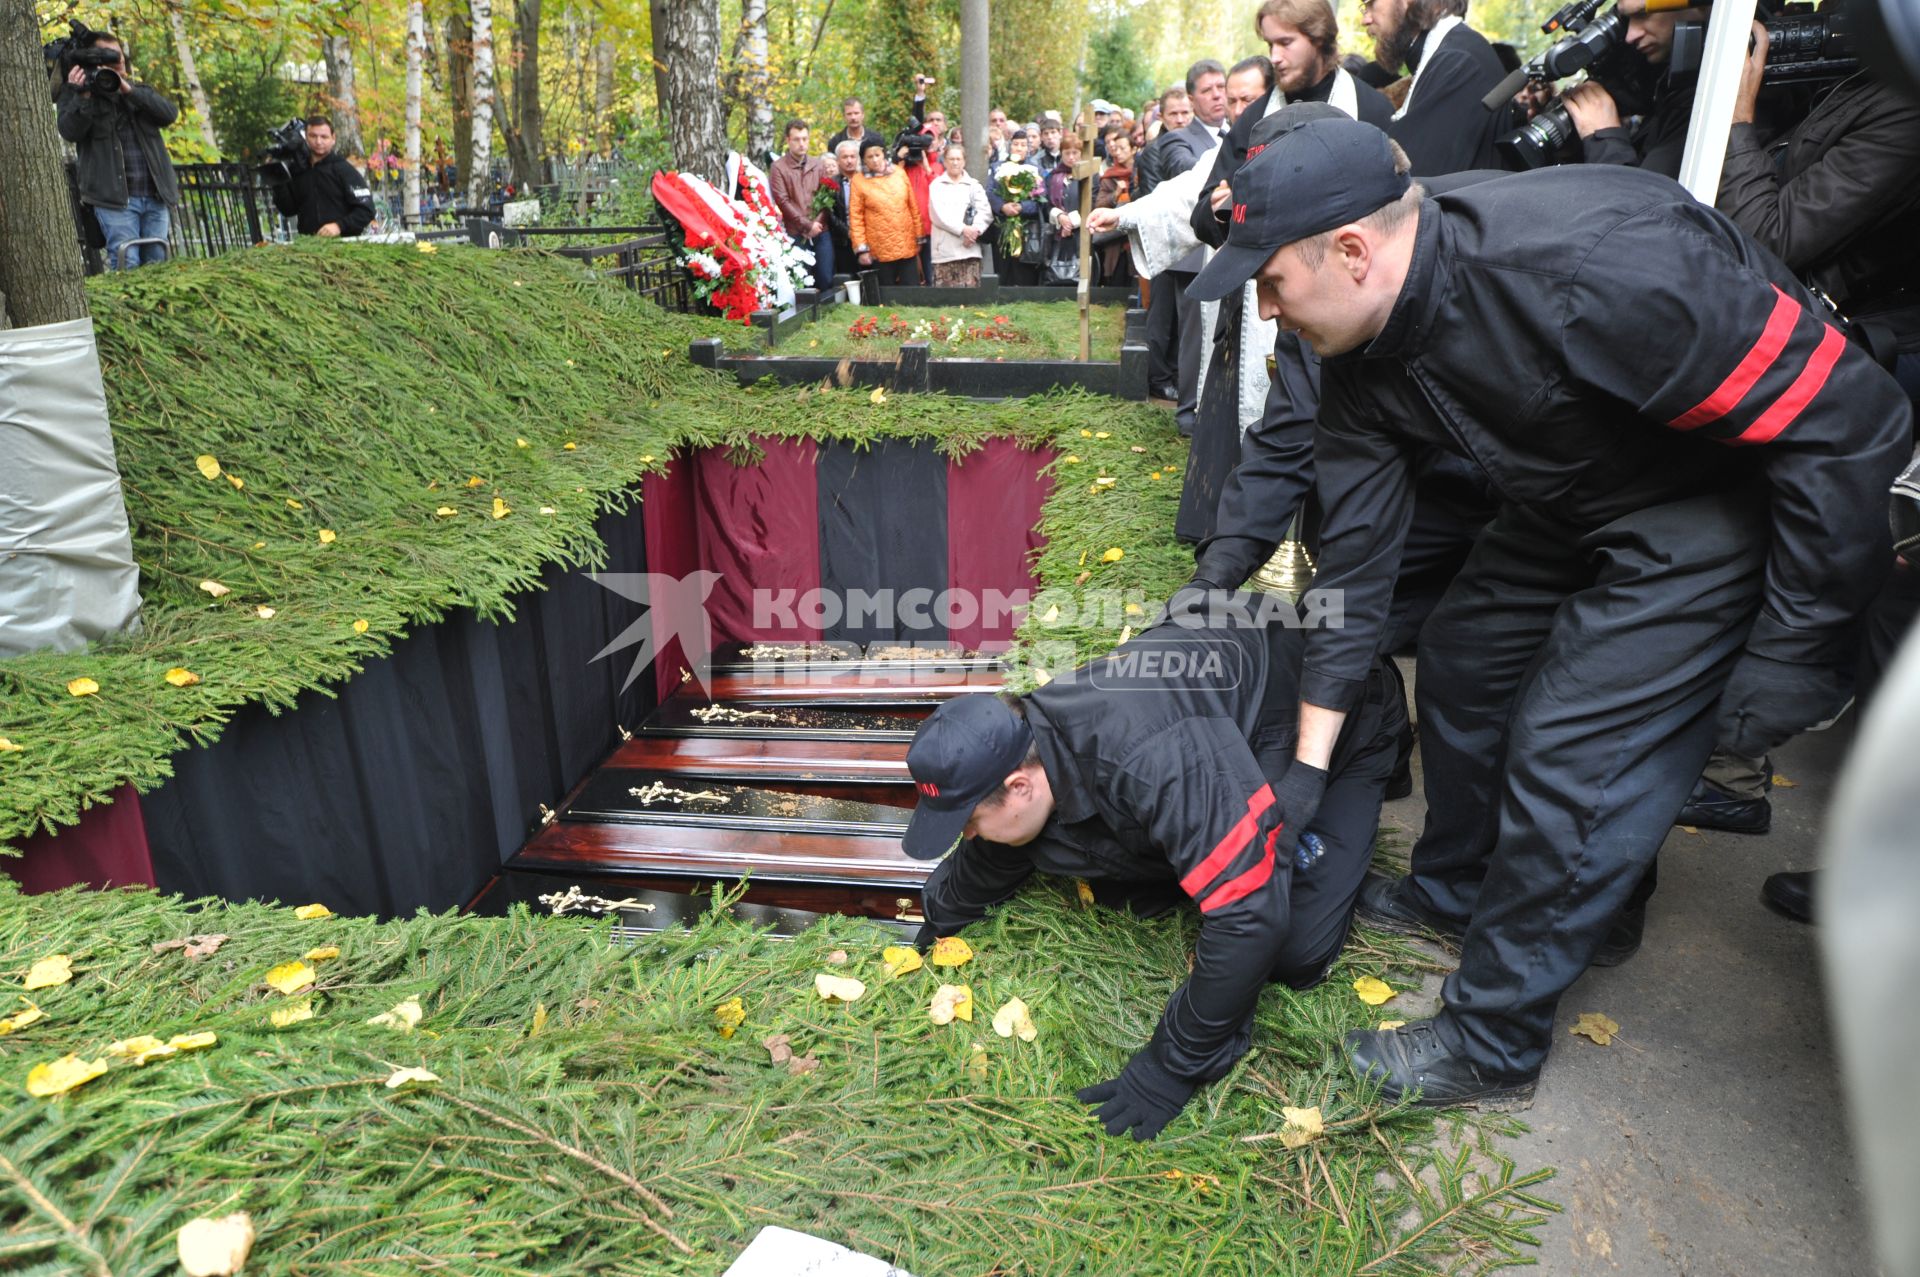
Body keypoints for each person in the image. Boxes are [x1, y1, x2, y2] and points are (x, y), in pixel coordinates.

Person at [1186, 116, 1911, 1106]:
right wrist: (1309, 770)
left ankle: (1493, 1039)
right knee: (1463, 655)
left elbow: (1851, 414)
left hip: (1714, 498)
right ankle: (1470, 891)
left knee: (1575, 748)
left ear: (1351, 251)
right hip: (1575, 487)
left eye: (1269, 284)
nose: (1267, 313)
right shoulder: (1361, 355)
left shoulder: (1599, 266)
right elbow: (1352, 575)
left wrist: (1801, 638)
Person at [904, 607, 1409, 1142]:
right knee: (1064, 847)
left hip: (1339, 716)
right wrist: (937, 927)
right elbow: (994, 852)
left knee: (1293, 952)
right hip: (1233, 709)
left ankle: (1389, 750)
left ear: (1020, 785)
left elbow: (1249, 917)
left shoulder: (1154, 759)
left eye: (969, 822)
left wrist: (1171, 1067)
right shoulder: (1036, 740)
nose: (970, 837)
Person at [1700, 29, 1920, 901]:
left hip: (1864, 368)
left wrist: (1741, 108)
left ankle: (1743, 780)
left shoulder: (1904, 108)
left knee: (1864, 603)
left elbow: (1768, 229)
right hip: (1834, 353)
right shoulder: (1863, 73)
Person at [52, 30, 180, 270]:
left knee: (158, 266)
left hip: (155, 196)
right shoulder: (78, 94)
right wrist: (84, 96)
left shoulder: (138, 91)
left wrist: (127, 90)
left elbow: (169, 114)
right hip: (114, 201)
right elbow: (69, 131)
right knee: (126, 263)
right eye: (108, 57)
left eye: (118, 56)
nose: (116, 62)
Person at [1158, 60, 1233, 438]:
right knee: (1193, 338)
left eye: (1222, 87)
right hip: (1194, 255)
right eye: (1208, 90)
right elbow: (1190, 175)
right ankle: (1188, 410)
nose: (1218, 95)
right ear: (1192, 97)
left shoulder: (1238, 133)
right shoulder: (1178, 139)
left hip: (1233, 251)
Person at [1362, 0, 1509, 173]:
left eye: (1370, 3)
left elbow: (1407, 177)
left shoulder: (1457, 62)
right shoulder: (1453, 52)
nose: (1365, 20)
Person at [1562, 5, 1702, 177]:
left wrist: (1604, 136)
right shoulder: (1667, 86)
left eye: (1642, 15)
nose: (1630, 36)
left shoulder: (1708, 95)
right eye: (1627, 20)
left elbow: (1650, 200)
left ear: (1700, 5)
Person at [1135, 87, 1194, 398]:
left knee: (1183, 317)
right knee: (1162, 315)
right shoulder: (1154, 151)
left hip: (1191, 242)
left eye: (1186, 112)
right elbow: (1154, 198)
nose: (1181, 118)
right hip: (1163, 241)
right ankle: (1158, 379)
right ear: (1163, 116)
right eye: (1174, 113)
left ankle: (1175, 373)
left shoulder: (1197, 143)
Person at [270, 118, 375, 239]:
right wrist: (278, 182)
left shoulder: (344, 169)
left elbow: (367, 210)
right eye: (313, 136)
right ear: (305, 137)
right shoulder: (298, 171)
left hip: (344, 246)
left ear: (333, 138)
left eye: (324, 137)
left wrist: (339, 226)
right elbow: (288, 210)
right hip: (308, 247)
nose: (318, 141)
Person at [768, 119, 836, 289]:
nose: (802, 143)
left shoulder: (818, 164)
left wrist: (817, 223)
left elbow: (827, 195)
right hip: (796, 232)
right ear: (788, 140)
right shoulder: (779, 168)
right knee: (802, 279)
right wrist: (807, 225)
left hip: (821, 229)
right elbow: (782, 201)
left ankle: (827, 313)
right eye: (797, 139)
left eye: (805, 139)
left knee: (826, 276)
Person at [849, 139, 924, 286]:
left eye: (877, 155)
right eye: (870, 157)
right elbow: (855, 217)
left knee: (912, 291)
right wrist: (862, 249)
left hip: (906, 241)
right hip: (879, 245)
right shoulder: (858, 180)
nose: (875, 160)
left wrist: (919, 236)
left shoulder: (899, 172)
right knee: (886, 294)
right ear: (863, 159)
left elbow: (913, 206)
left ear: (884, 154)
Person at [927, 140, 992, 286]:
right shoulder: (936, 186)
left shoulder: (974, 185)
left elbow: (985, 211)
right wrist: (963, 229)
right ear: (944, 161)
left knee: (972, 301)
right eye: (951, 159)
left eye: (958, 159)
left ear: (964, 161)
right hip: (945, 252)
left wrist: (975, 231)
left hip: (970, 250)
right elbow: (938, 216)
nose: (955, 163)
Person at [990, 131, 1045, 286]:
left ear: (1028, 148)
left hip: (1026, 227)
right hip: (1003, 226)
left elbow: (1041, 199)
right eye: (1015, 144)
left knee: (1025, 272)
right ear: (1010, 146)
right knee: (1003, 269)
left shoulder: (1035, 170)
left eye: (1023, 145)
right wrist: (1002, 206)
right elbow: (990, 192)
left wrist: (1022, 207)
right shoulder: (997, 168)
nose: (1019, 148)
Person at [1093, 126, 1137, 286]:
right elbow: (1099, 203)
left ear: (1133, 149)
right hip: (1116, 240)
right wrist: (1116, 194)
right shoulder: (1110, 176)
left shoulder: (1141, 170)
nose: (1118, 152)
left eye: (1123, 148)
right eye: (1115, 148)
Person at [822, 140, 863, 283]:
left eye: (852, 156)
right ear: (838, 160)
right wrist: (848, 232)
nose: (849, 161)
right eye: (845, 157)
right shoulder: (831, 184)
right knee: (847, 279)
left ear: (858, 158)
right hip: (843, 240)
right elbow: (829, 213)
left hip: (867, 238)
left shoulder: (867, 180)